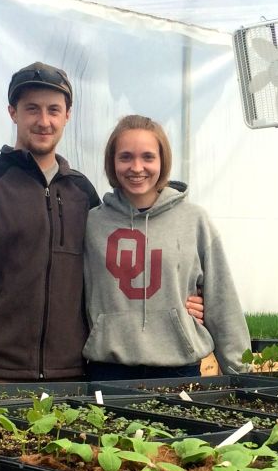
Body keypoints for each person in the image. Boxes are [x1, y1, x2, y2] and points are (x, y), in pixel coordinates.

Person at [0, 62, 203, 385]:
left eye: (54, 110)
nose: (44, 121)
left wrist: (186, 300)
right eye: (32, 109)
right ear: (13, 112)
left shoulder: (82, 194)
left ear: (67, 116)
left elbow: (121, 271)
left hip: (72, 375)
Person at [83, 114, 250, 380]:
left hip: (179, 369)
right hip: (108, 371)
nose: (137, 167)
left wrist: (241, 375)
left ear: (163, 161)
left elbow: (221, 297)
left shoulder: (194, 220)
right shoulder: (91, 223)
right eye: (125, 157)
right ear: (111, 162)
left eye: (148, 157)